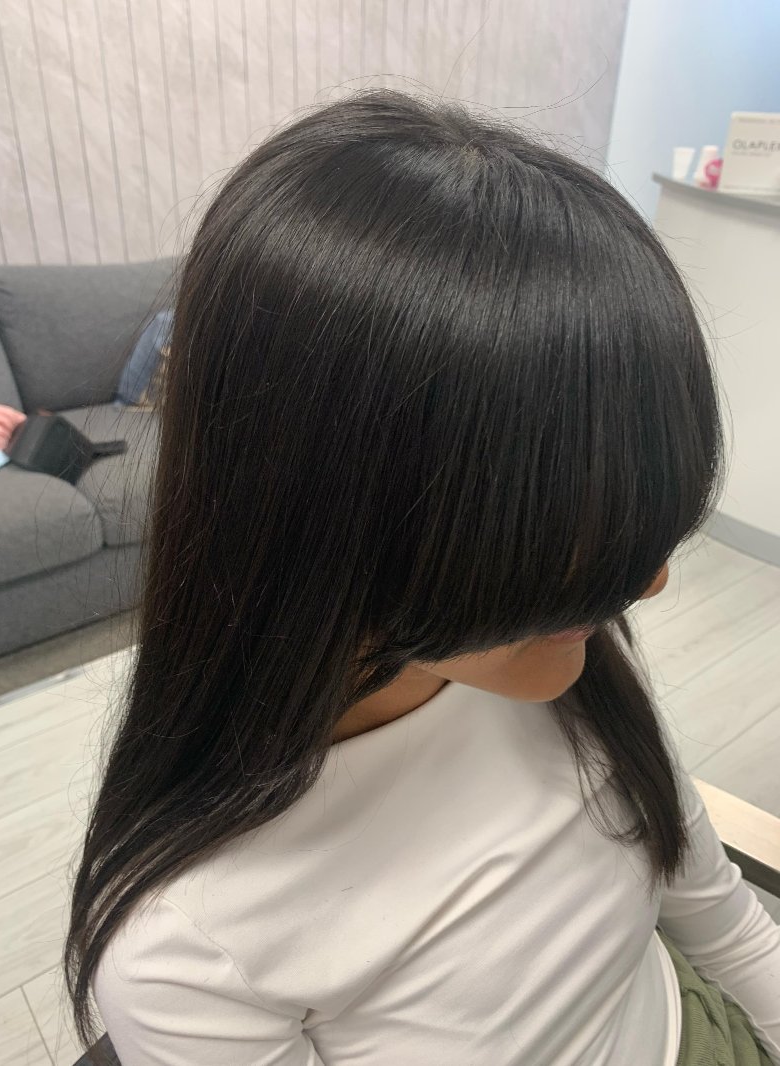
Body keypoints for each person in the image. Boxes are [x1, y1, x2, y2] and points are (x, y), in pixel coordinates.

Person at [64, 90, 780, 1066]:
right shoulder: (189, 940)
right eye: (570, 538)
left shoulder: (563, 665)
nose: (647, 584)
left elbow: (725, 925)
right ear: (324, 502)